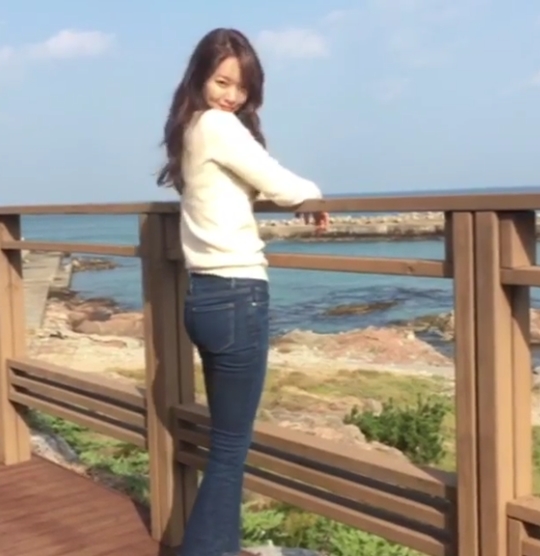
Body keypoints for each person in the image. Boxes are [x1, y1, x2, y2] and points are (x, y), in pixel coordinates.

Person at [157, 27, 326, 556]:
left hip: (203, 297)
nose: (232, 95)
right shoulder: (217, 125)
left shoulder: (190, 127)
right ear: (200, 77)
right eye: (222, 81)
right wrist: (313, 196)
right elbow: (280, 182)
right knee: (230, 451)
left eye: (242, 86)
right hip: (237, 296)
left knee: (225, 444)